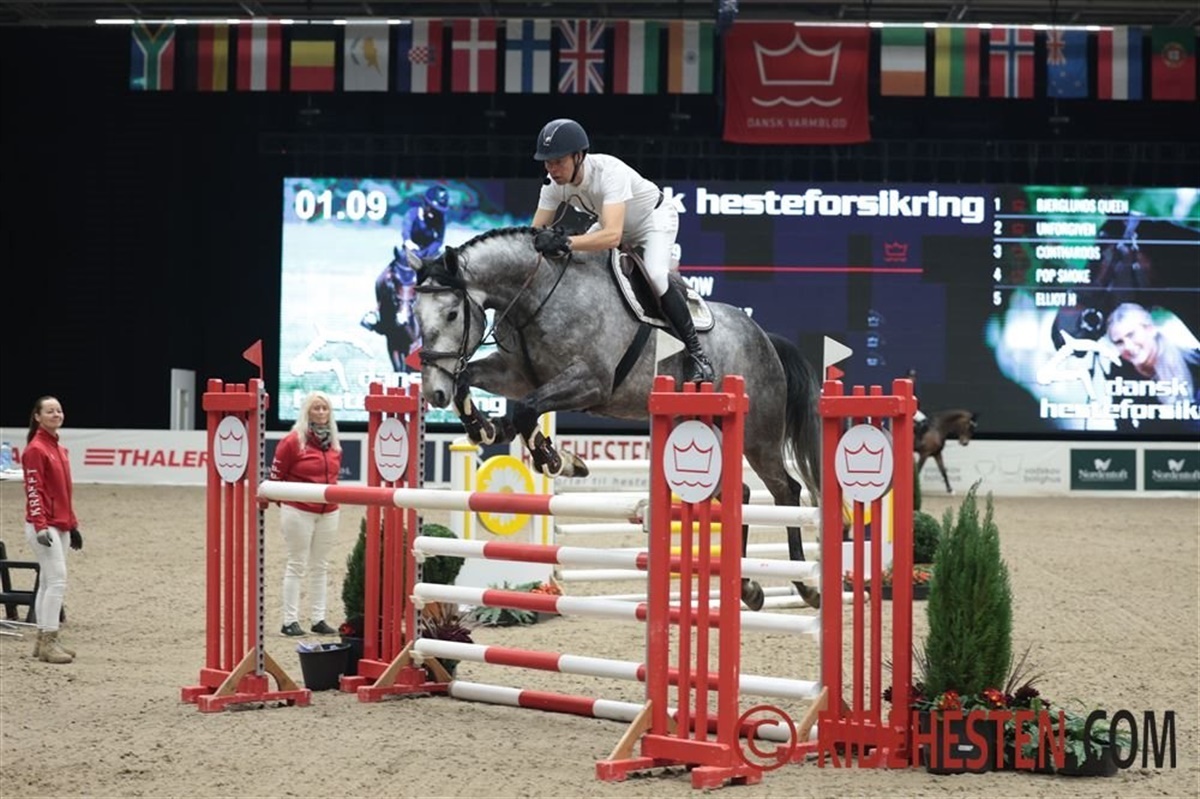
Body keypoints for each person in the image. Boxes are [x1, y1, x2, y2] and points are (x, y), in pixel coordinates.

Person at [529, 119, 714, 383]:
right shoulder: (552, 184)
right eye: (547, 162)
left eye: (558, 161)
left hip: (653, 220)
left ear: (579, 156)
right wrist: (545, 241)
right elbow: (534, 234)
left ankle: (698, 355)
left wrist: (566, 242)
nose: (552, 169)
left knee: (656, 275)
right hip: (613, 224)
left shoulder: (609, 171)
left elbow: (612, 236)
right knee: (572, 263)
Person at [268, 391, 343, 636]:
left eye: (324, 408)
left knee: (320, 566)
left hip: (328, 512)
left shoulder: (334, 444)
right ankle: (289, 620)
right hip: (298, 511)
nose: (321, 412)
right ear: (307, 411)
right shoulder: (292, 441)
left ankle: (318, 619)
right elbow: (275, 480)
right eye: (316, 408)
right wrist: (290, 505)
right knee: (297, 564)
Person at [21, 396, 82, 664]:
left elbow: (64, 492)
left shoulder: (59, 449)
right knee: (57, 581)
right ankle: (49, 640)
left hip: (60, 524)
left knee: (48, 582)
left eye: (58, 410)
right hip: (44, 525)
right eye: (49, 411)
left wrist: (73, 523)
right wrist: (40, 525)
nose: (56, 414)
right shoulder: (36, 449)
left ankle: (43, 639)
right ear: (37, 417)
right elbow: (34, 490)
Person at [1106, 303, 1200, 416]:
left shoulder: (1192, 361)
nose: (1128, 346)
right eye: (1119, 342)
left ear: (1150, 329)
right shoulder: (1119, 370)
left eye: (1131, 335)